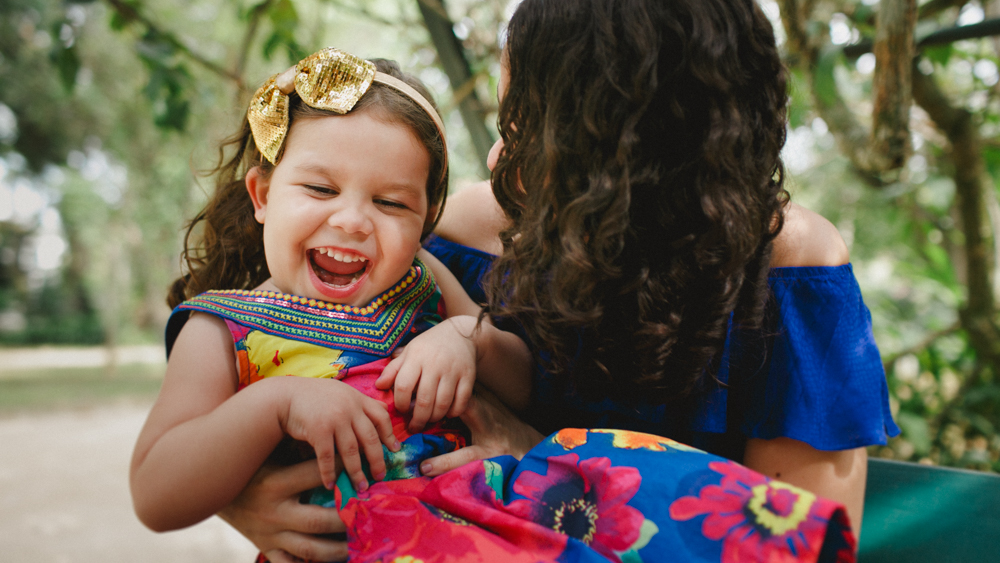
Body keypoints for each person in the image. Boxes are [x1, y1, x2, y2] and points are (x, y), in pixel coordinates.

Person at [218, 0, 898, 560]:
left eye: (529, 128)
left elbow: (788, 539)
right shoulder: (441, 235)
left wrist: (538, 461)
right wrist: (243, 497)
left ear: (631, 155)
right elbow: (258, 357)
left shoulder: (790, 276)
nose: (494, 154)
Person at [129, 47, 532, 540]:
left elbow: (523, 383)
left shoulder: (423, 277)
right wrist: (277, 404)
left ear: (425, 221)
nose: (352, 220)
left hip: (489, 534)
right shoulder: (218, 329)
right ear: (262, 195)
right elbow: (155, 494)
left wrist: (469, 338)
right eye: (321, 190)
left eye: (390, 202)